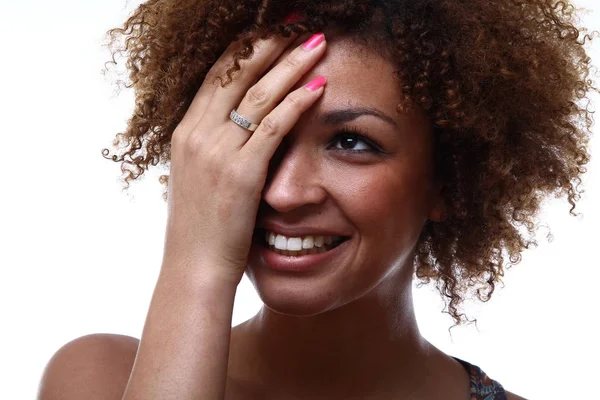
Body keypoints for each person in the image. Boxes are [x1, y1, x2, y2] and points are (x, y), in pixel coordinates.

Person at [37, 0, 595, 399]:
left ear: (448, 181)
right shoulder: (99, 381)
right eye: (257, 135)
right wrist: (196, 265)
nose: (283, 191)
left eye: (351, 142)